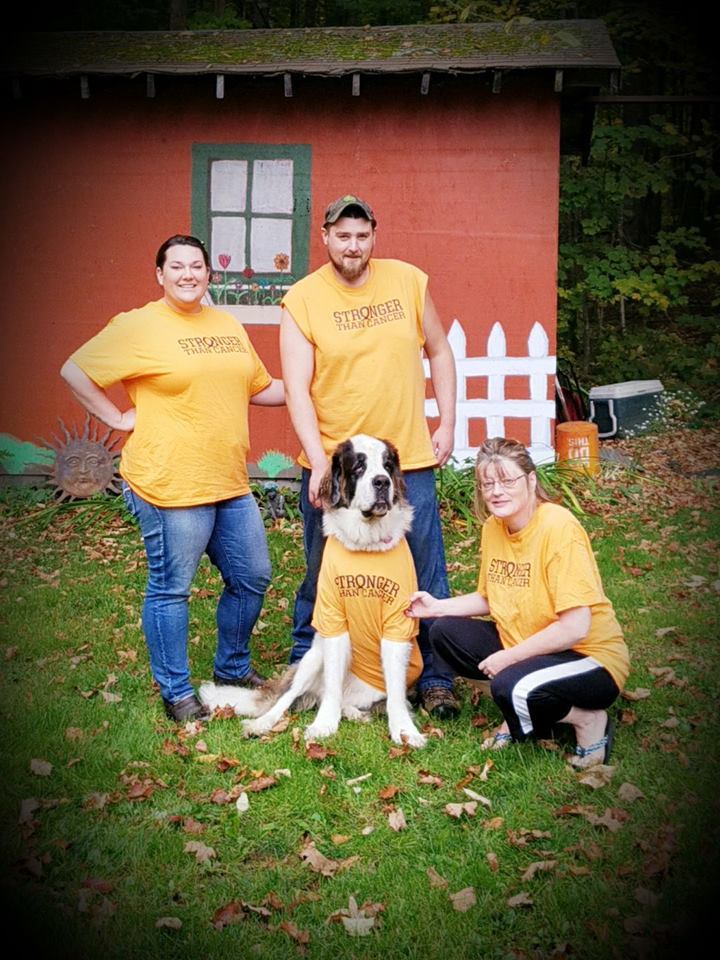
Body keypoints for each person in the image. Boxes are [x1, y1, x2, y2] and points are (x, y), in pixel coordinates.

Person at [61, 235, 285, 722]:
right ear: (159, 275)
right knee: (171, 588)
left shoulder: (227, 325)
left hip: (228, 481)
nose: (188, 274)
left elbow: (260, 388)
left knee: (252, 577)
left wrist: (315, 387)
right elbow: (75, 370)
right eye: (177, 266)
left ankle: (231, 669)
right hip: (169, 484)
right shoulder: (138, 326)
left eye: (197, 266)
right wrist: (118, 420)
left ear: (210, 274)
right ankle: (177, 691)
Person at [280, 194, 459, 718]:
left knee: (426, 568)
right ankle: (304, 664)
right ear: (326, 237)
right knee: (323, 568)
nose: (352, 245)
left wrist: (446, 421)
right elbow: (296, 387)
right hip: (337, 465)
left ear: (373, 236)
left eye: (361, 235)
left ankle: (437, 677)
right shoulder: (302, 299)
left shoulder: (408, 280)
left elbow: (440, 350)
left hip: (406, 459)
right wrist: (317, 460)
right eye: (342, 235)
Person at [406, 437, 629, 767]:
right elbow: (489, 596)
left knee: (509, 684)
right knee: (443, 632)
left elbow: (575, 626)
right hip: (535, 646)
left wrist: (510, 657)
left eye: (507, 480)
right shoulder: (493, 528)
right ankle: (524, 703)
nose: (496, 491)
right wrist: (436, 607)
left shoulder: (558, 527)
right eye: (487, 483)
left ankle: (587, 720)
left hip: (589, 657)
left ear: (531, 480)